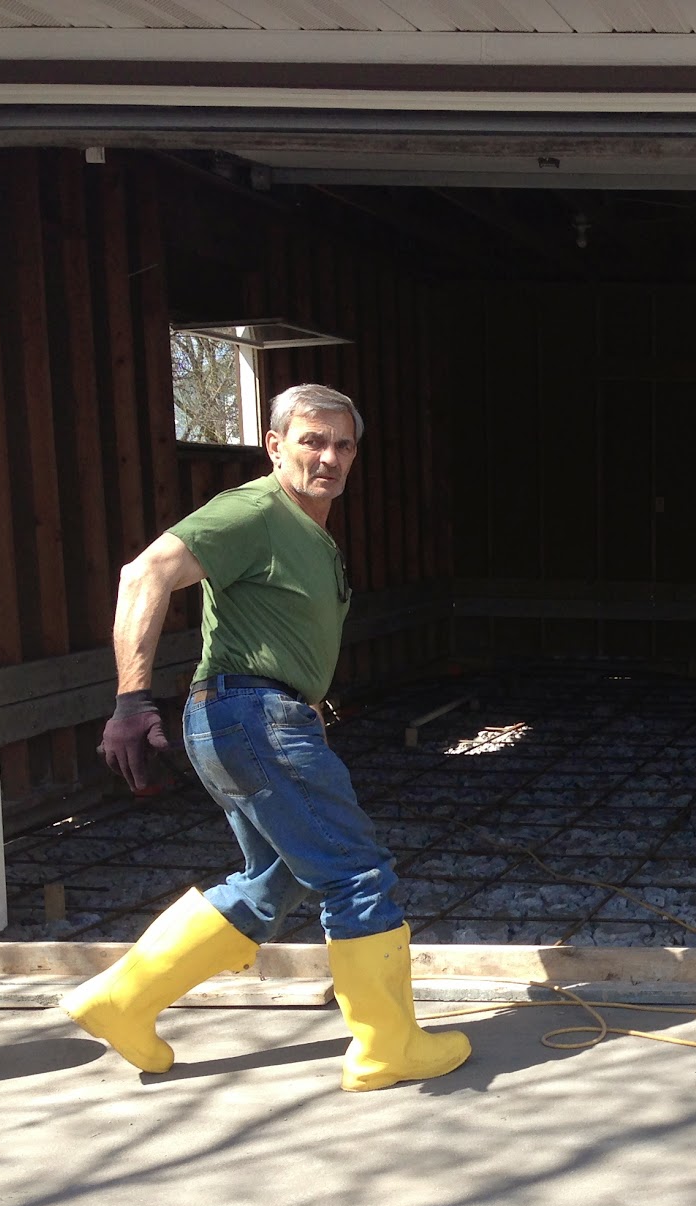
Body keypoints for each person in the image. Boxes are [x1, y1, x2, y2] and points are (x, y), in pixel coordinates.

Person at [61, 383, 470, 1093]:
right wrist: (129, 701)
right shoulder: (254, 511)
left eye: (343, 445)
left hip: (249, 718)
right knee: (355, 872)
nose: (329, 457)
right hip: (253, 715)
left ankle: (121, 1001)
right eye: (312, 441)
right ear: (275, 446)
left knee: (272, 882)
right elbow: (145, 572)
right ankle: (388, 1046)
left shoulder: (307, 529)